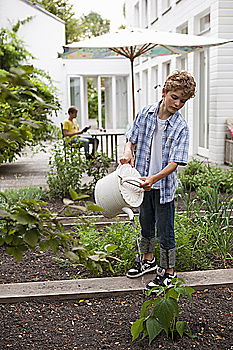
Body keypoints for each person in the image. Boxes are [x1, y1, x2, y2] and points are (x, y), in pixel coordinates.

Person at [120, 70, 196, 289]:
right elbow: (131, 138)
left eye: (183, 101)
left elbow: (175, 162)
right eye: (175, 97)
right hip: (142, 183)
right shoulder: (145, 113)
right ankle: (148, 260)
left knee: (165, 230)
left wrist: (154, 178)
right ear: (164, 92)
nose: (178, 103)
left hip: (162, 187)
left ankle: (168, 272)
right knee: (145, 223)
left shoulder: (181, 127)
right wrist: (128, 152)